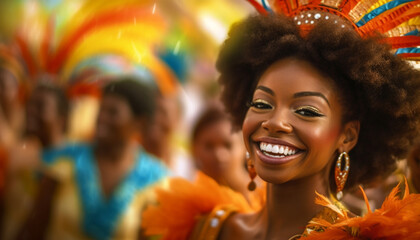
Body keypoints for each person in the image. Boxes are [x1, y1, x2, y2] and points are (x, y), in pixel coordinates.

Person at [142, 10, 420, 240]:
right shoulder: (205, 228)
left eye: (306, 110)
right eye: (262, 104)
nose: (275, 122)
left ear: (347, 136)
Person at [16, 78, 168, 240]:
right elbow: (33, 230)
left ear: (140, 123)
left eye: (113, 112)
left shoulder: (154, 180)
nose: (102, 118)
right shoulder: (64, 162)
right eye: (100, 110)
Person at [1, 81, 70, 239]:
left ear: (61, 118)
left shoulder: (71, 162)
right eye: (30, 104)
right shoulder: (18, 152)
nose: (31, 111)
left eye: (40, 106)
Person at [191, 102, 259, 203]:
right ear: (194, 148)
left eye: (228, 145)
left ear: (245, 147)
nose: (219, 155)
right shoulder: (187, 201)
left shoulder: (263, 200)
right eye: (209, 146)